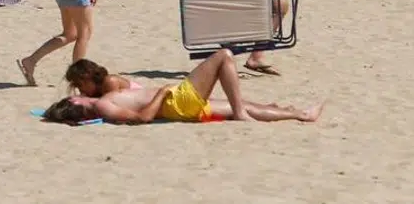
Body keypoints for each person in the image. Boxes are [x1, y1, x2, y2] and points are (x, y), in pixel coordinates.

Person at [41, 49, 324, 125]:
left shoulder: (102, 98)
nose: (75, 95)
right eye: (73, 98)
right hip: (176, 102)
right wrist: (162, 93)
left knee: (245, 105)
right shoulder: (102, 105)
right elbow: (142, 118)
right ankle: (241, 113)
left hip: (178, 102)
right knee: (223, 56)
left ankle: (298, 114)